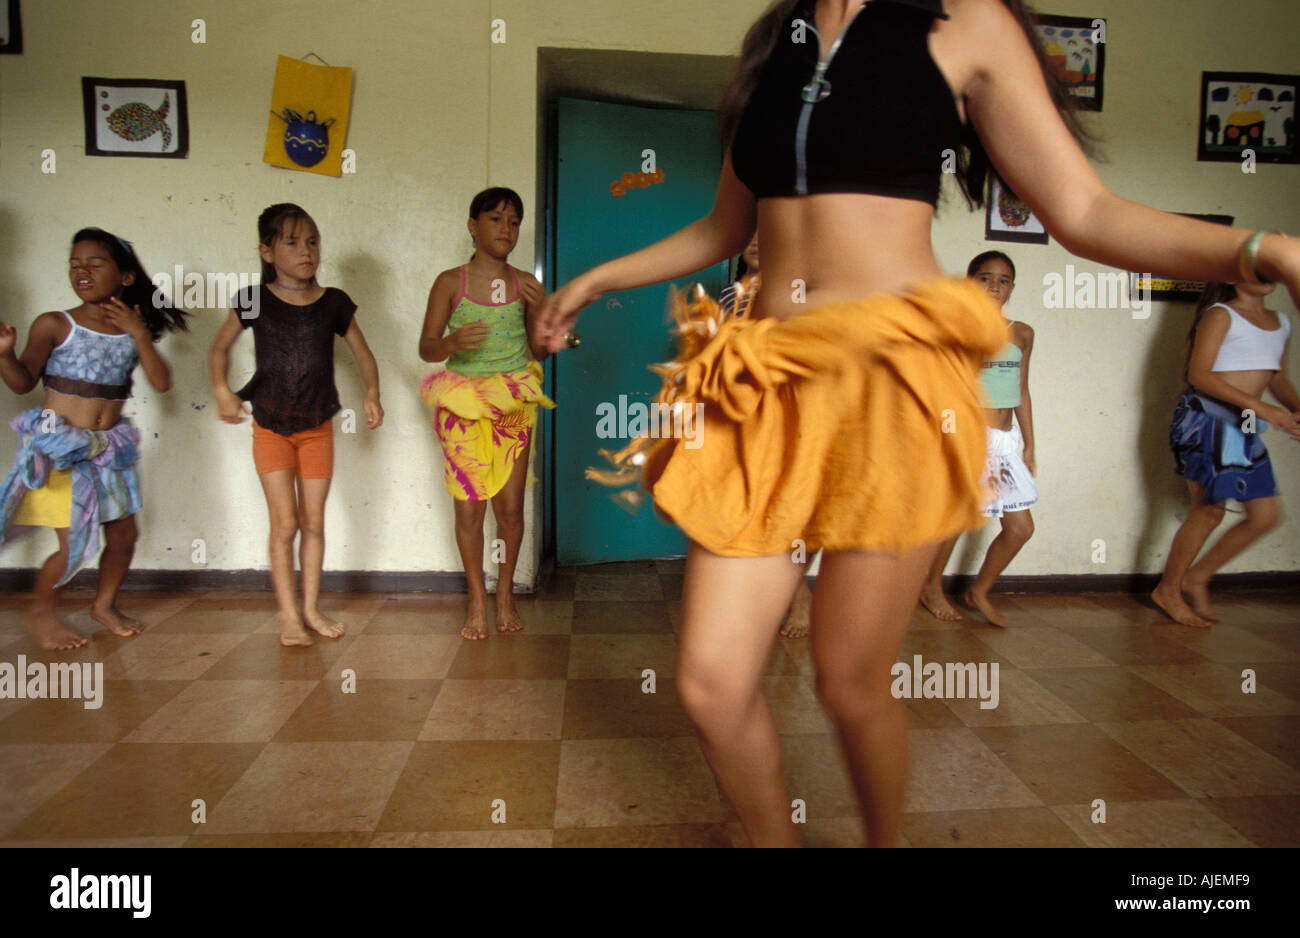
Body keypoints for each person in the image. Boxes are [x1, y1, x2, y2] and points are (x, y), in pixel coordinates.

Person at [537, 0, 1300, 847]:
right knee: (711, 683)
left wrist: (1263, 250)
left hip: (893, 383)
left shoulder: (962, 24)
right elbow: (726, 227)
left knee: (848, 680)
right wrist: (596, 278)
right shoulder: (775, 43)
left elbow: (1085, 213)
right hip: (765, 384)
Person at [0, 229, 187, 650]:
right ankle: (42, 611)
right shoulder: (55, 323)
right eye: (74, 264)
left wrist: (139, 334)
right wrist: (5, 355)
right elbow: (22, 382)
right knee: (75, 546)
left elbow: (162, 383)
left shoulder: (131, 327)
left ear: (124, 277)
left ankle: (104, 605)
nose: (81, 271)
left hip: (107, 451)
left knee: (123, 537)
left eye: (94, 264)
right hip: (60, 450)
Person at [210, 203, 383, 647]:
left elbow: (363, 353)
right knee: (284, 524)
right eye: (292, 242)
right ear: (267, 252)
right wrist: (221, 389)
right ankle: (288, 616)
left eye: (312, 241)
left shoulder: (334, 303)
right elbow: (219, 349)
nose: (307, 251)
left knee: (314, 522)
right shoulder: (253, 299)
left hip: (317, 427)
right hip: (269, 426)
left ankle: (310, 609)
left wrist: (371, 393)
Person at [418, 187, 554, 641]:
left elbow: (539, 352)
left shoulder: (525, 286)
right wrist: (452, 344)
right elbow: (427, 347)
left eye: (514, 221)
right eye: (495, 219)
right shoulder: (449, 283)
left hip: (513, 404)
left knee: (511, 508)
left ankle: (505, 594)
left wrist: (543, 312)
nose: (506, 229)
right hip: (464, 406)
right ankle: (477, 598)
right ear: (473, 226)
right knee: (470, 510)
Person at [1152, 279, 1298, 627]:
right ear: (1236, 274)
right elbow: (1199, 375)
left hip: (1244, 423)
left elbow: (1277, 378)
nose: (1266, 276)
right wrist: (1261, 409)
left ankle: (1197, 577)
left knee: (1264, 515)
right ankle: (1168, 589)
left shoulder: (1282, 322)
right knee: (1209, 511)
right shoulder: (1221, 315)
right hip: (1205, 417)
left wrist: (1292, 408)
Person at [919, 250, 1035, 627]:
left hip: (1004, 441)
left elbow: (1021, 388)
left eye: (1003, 280)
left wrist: (1030, 444)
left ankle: (978, 591)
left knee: (1020, 528)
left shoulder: (1021, 333)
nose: (994, 286)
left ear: (1012, 289)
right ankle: (931, 587)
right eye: (985, 278)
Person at [721, 232, 816, 638]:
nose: (759, 241)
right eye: (751, 235)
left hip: (792, 412)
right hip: (746, 414)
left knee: (795, 509)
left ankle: (798, 597)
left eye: (768, 234)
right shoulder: (729, 296)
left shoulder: (796, 293)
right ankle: (769, 594)